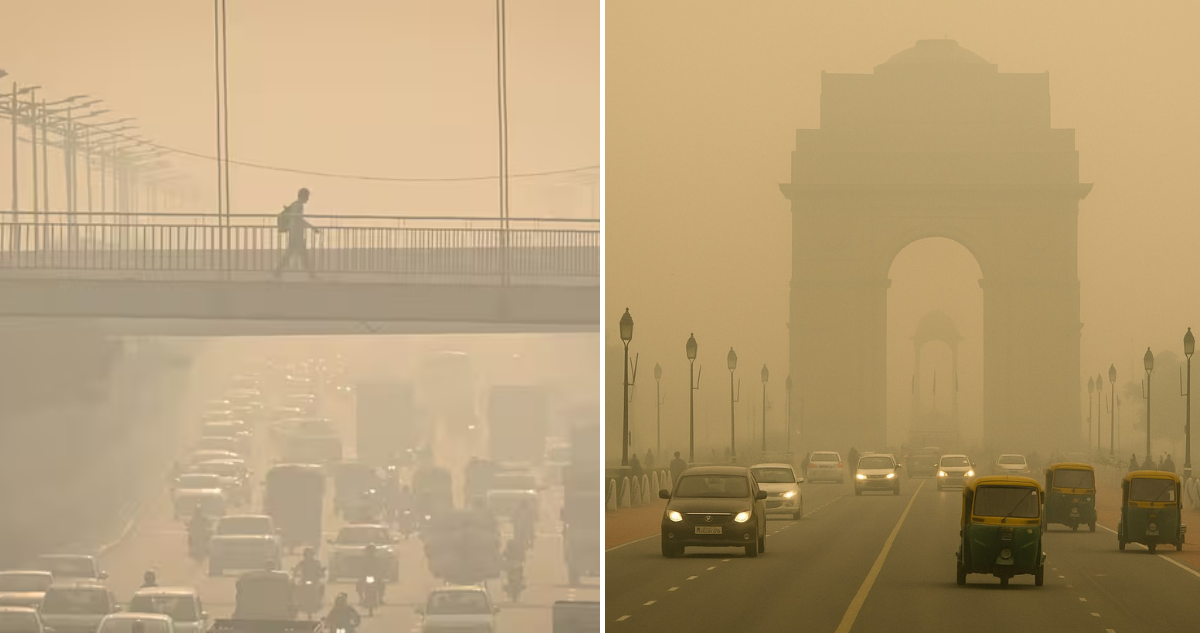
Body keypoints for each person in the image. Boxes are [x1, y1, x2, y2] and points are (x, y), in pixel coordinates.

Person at [273, 187, 321, 280]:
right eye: (307, 196)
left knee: (290, 254)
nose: (308, 198)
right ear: (304, 196)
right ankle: (311, 274)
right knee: (302, 255)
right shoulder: (299, 205)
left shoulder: (295, 204)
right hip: (296, 234)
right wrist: (312, 227)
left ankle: (278, 271)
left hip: (294, 233)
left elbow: (296, 219)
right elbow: (298, 219)